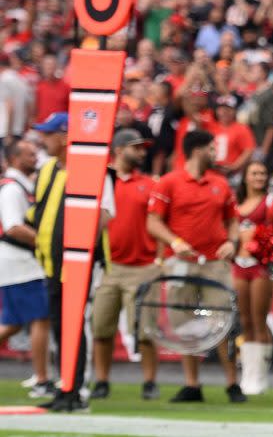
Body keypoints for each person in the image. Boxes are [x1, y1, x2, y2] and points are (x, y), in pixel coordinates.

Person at [25, 112, 114, 412]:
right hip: (51, 262)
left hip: (81, 263)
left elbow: (104, 214)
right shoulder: (48, 168)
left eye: (48, 134)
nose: (43, 139)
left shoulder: (93, 168)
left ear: (64, 138)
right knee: (60, 327)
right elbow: (40, 212)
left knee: (77, 326)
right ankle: (65, 387)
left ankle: (77, 391)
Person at [146, 129, 244, 404]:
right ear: (198, 150)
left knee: (224, 320)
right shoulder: (168, 182)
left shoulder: (220, 183)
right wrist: (175, 242)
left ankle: (232, 384)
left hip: (215, 263)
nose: (216, 154)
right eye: (212, 148)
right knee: (184, 323)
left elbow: (233, 220)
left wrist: (233, 242)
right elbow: (153, 222)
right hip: (181, 263)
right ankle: (192, 384)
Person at [91, 129, 159, 401]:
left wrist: (161, 259)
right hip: (108, 266)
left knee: (145, 330)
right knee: (101, 327)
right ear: (119, 150)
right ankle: (102, 381)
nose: (143, 153)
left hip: (143, 265)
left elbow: (159, 222)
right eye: (137, 148)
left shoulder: (150, 184)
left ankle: (150, 381)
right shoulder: (101, 181)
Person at [0, 139, 52, 398]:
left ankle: (42, 377)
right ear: (14, 158)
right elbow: (13, 227)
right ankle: (42, 379)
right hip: (20, 263)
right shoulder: (12, 189)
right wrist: (47, 240)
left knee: (13, 324)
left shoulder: (20, 185)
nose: (36, 159)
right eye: (30, 155)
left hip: (15, 263)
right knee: (40, 318)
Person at [232, 160, 273, 397]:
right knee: (245, 319)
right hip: (239, 265)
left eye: (263, 172)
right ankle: (247, 375)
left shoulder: (270, 201)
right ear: (245, 177)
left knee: (260, 319)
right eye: (254, 173)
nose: (259, 177)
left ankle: (260, 377)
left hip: (261, 265)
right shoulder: (236, 203)